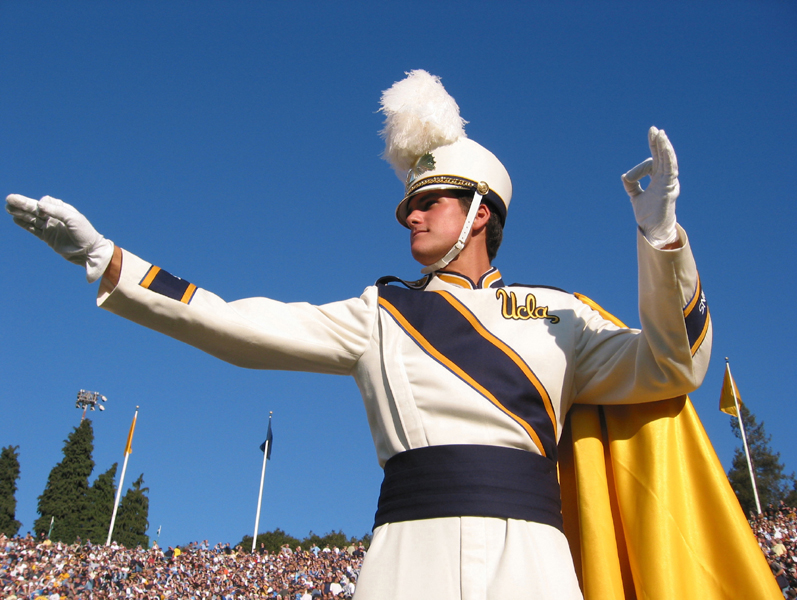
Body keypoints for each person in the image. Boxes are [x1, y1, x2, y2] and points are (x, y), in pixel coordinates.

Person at [6, 70, 711, 599]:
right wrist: (106, 258)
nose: (410, 216)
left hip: (532, 557)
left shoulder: (561, 314)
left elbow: (670, 366)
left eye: (429, 202)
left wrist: (661, 238)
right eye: (408, 204)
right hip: (408, 554)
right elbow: (234, 325)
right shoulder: (379, 312)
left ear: (479, 213)